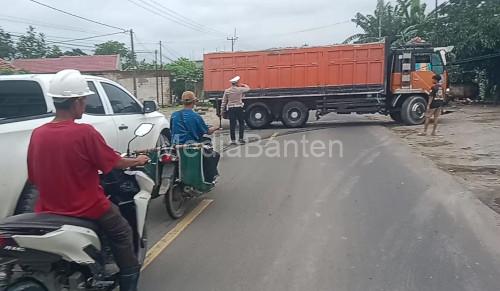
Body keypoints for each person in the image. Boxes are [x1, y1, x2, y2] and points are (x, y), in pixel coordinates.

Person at [27, 69, 149, 291]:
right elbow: (113, 162)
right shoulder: (84, 132)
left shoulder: (38, 133)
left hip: (47, 208)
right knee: (122, 232)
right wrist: (137, 160)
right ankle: (129, 282)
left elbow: (34, 176)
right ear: (75, 103)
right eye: (84, 101)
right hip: (87, 206)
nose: (85, 106)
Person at [170, 91, 220, 182]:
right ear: (194, 102)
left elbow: (171, 130)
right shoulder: (196, 116)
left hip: (175, 146)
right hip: (191, 146)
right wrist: (216, 127)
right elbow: (207, 131)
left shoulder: (174, 115)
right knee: (214, 155)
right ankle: (209, 178)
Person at [220, 76, 250, 145]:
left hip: (231, 108)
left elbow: (224, 102)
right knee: (241, 123)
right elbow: (248, 89)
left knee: (232, 125)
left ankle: (233, 140)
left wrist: (222, 111)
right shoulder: (240, 89)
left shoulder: (227, 91)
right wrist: (243, 85)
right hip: (239, 108)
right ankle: (241, 139)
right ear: (237, 82)